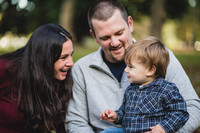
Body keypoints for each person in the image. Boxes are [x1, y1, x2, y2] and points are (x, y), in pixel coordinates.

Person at [65, 0, 200, 132]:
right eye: (105, 38)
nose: (114, 42)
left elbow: (193, 108)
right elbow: (76, 121)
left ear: (130, 24)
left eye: (119, 33)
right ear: (94, 36)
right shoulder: (81, 69)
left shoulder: (160, 58)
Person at [100, 36, 189, 133]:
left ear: (150, 70)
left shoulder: (166, 88)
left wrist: (164, 127)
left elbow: (180, 112)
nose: (125, 70)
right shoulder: (131, 89)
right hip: (127, 130)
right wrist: (116, 116)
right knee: (109, 131)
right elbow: (125, 111)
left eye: (130, 67)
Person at [0, 23, 74, 133]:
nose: (71, 63)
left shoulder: (63, 80)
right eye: (63, 57)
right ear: (44, 58)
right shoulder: (6, 68)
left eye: (71, 54)